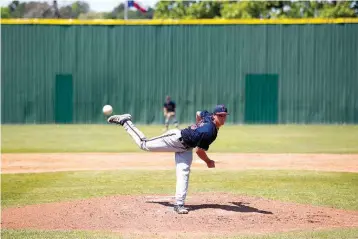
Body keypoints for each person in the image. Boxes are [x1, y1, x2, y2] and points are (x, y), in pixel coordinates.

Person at [107, 104, 229, 214]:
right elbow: (199, 151)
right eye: (220, 115)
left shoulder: (208, 117)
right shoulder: (209, 132)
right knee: (144, 144)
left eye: (224, 116)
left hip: (186, 148)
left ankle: (179, 204)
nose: (223, 118)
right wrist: (208, 161)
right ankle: (125, 121)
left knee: (183, 173)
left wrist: (197, 125)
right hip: (175, 138)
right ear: (214, 115)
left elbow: (198, 113)